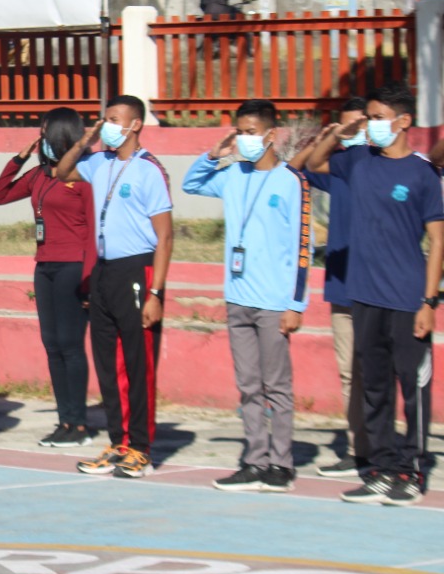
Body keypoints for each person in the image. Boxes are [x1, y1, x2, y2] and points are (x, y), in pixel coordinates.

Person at [306, 82, 443, 506]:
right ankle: (382, 469)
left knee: (412, 389)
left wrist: (429, 301)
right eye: (369, 118)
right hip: (364, 297)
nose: (372, 125)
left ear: (403, 121)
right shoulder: (359, 160)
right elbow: (314, 162)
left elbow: (438, 240)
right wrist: (338, 133)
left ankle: (410, 471)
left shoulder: (421, 173)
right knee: (375, 388)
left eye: (379, 118)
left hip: (407, 300)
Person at [183, 100, 311, 492]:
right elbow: (191, 184)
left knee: (277, 387)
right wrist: (212, 155)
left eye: (251, 132)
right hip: (237, 298)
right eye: (240, 132)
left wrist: (295, 304)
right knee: (248, 385)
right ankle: (255, 460)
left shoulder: (291, 181)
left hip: (274, 303)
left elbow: (303, 245)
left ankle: (281, 464)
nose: (244, 139)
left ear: (271, 135)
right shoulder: (232, 175)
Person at [55, 95, 173, 479]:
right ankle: (118, 442)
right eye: (104, 118)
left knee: (138, 363)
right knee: (107, 363)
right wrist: (84, 141)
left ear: (135, 124)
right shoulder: (99, 162)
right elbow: (61, 171)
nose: (106, 124)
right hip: (105, 270)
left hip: (138, 270)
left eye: (114, 119)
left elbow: (165, 236)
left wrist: (156, 293)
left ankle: (140, 447)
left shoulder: (149, 169)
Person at [0, 108, 97, 447]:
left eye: (45, 133)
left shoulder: (83, 175)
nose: (41, 139)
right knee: (52, 345)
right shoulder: (38, 174)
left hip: (73, 266)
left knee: (70, 345)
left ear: (61, 136)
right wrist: (18, 159)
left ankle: (79, 424)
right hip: (45, 266)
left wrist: (89, 280)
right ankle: (64, 420)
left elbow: (92, 233)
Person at [302, 97, 372, 478]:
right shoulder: (337, 165)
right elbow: (298, 168)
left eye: (360, 124)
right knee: (350, 373)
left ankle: (389, 449)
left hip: (381, 286)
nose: (354, 132)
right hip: (343, 284)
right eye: (347, 127)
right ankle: (359, 450)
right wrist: (326, 138)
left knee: (381, 371)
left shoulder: (384, 166)